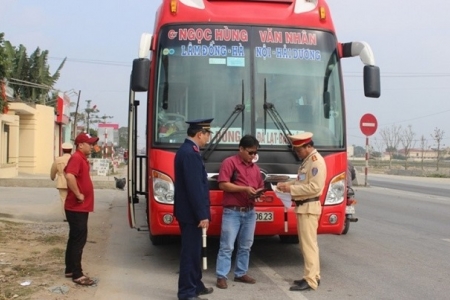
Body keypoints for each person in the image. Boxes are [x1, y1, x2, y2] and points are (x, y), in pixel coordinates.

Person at [276, 132, 326, 291]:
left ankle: (311, 280)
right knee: (308, 245)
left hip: (309, 207)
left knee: (308, 246)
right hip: (304, 207)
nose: (297, 153)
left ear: (308, 146)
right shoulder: (307, 161)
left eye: (299, 150)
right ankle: (312, 276)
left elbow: (315, 188)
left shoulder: (315, 162)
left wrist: (291, 188)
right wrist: (287, 184)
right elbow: (301, 181)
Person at [215, 135, 264, 289]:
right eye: (250, 153)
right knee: (227, 245)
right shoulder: (229, 163)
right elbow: (223, 185)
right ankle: (221, 275)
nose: (253, 156)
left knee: (246, 246)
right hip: (233, 211)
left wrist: (258, 194)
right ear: (241, 149)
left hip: (249, 211)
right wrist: (244, 189)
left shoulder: (255, 169)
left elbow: (259, 186)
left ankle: (241, 273)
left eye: (255, 153)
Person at [174, 118, 214, 300]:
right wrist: (202, 214)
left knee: (195, 251)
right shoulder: (190, 154)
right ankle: (187, 292)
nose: (208, 138)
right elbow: (195, 188)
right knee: (190, 254)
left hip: (188, 212)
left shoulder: (188, 151)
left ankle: (196, 285)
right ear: (200, 134)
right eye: (207, 135)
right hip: (191, 214)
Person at [64, 132, 99, 286]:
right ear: (80, 145)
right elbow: (69, 176)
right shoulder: (77, 158)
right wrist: (78, 194)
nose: (91, 146)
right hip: (77, 206)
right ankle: (77, 274)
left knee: (74, 238)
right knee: (79, 239)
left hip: (80, 207)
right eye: (89, 144)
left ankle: (70, 269)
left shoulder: (82, 159)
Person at [50, 142, 73, 221]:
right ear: (71, 150)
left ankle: (66, 217)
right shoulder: (74, 159)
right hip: (73, 181)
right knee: (72, 199)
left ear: (62, 150)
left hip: (62, 181)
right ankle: (72, 215)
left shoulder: (58, 160)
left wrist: (52, 177)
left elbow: (53, 170)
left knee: (63, 199)